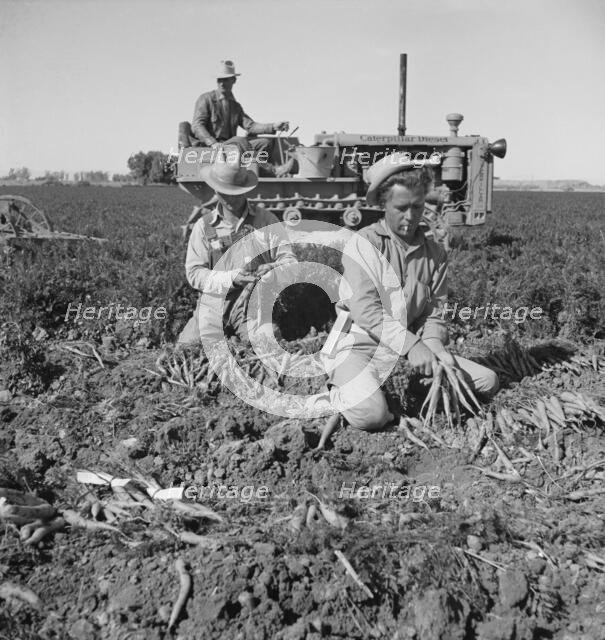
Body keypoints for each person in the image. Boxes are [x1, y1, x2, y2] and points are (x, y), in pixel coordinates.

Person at [321, 152, 499, 430]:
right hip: (359, 346)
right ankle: (346, 392)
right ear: (383, 203)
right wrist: (412, 345)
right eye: (401, 207)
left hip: (405, 353)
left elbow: (434, 311)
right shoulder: (364, 244)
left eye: (417, 207)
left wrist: (434, 346)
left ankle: (398, 390)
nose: (410, 217)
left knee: (487, 381)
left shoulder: (434, 253)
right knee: (371, 416)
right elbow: (366, 311)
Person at [177, 146, 297, 345]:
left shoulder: (266, 221)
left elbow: (290, 261)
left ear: (246, 189)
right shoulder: (204, 226)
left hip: (254, 306)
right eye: (225, 193)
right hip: (213, 306)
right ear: (215, 189)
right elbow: (194, 273)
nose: (231, 198)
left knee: (267, 343)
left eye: (236, 192)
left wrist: (273, 269)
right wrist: (232, 278)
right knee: (187, 346)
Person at [181, 60, 292, 176]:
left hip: (230, 146)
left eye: (226, 79)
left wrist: (274, 126)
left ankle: (259, 172)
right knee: (240, 141)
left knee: (265, 143)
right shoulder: (206, 99)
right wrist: (212, 142)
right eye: (219, 80)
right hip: (211, 147)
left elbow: (250, 126)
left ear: (233, 80)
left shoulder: (235, 106)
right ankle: (273, 171)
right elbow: (197, 125)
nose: (222, 83)